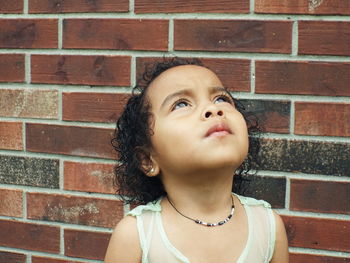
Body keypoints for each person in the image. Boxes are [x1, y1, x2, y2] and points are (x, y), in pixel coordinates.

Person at [104, 58, 289, 263]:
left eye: (221, 99)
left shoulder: (268, 226)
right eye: (181, 104)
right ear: (147, 159)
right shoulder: (136, 235)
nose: (213, 109)